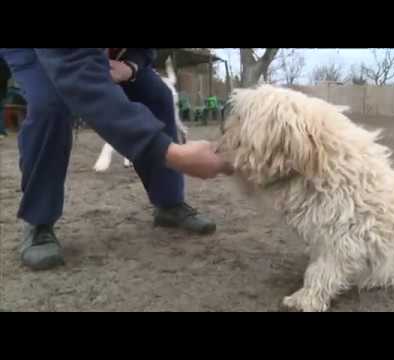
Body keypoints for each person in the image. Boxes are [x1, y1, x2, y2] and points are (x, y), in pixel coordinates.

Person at [0, 48, 233, 271]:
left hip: (96, 55)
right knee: (50, 106)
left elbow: (144, 51)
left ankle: (168, 203)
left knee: (157, 94)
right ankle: (39, 220)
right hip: (42, 52)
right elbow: (77, 72)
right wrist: (173, 154)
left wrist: (130, 67)